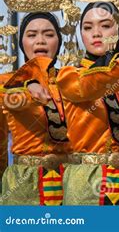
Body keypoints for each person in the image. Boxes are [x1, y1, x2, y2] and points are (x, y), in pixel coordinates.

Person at [57, 2, 119, 205]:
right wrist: (117, 64)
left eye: (105, 26)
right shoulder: (70, 75)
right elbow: (87, 86)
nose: (96, 33)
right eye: (87, 27)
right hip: (87, 184)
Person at [0, 12, 70, 205]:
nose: (40, 40)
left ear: (59, 41)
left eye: (48, 34)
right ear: (21, 42)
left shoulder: (71, 80)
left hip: (71, 180)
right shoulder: (6, 82)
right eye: (32, 35)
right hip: (23, 184)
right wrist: (28, 84)